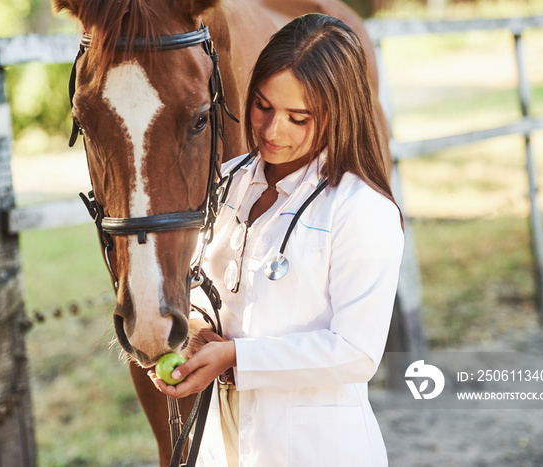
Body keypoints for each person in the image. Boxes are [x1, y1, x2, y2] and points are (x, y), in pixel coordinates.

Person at [148, 13, 404, 467]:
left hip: (316, 450)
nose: (271, 130)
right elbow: (205, 287)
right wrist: (191, 332)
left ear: (336, 115)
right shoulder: (224, 184)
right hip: (220, 441)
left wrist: (236, 358)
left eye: (297, 117)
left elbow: (356, 351)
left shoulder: (361, 209)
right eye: (263, 105)